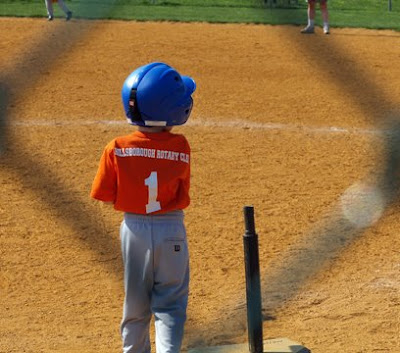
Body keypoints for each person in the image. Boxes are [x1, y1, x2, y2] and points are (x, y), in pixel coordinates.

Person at [90, 62, 196, 353]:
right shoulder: (181, 146)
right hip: (171, 228)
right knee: (171, 305)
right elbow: (182, 194)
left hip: (133, 229)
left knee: (135, 306)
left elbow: (105, 194)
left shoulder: (117, 147)